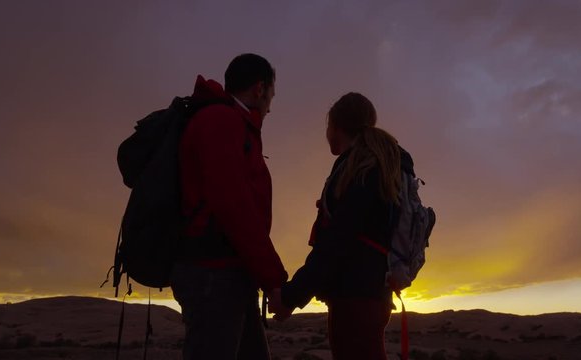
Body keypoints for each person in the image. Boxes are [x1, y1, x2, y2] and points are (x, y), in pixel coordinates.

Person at [268, 92, 416, 360]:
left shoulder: (360, 170)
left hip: (355, 297)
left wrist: (291, 295)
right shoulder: (380, 166)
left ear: (336, 127)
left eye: (328, 126)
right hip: (371, 294)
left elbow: (336, 243)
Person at [171, 53, 288, 360]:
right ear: (260, 89)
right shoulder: (221, 122)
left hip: (229, 274)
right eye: (272, 94)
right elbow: (234, 207)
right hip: (214, 276)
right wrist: (274, 279)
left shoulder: (232, 124)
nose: (271, 106)